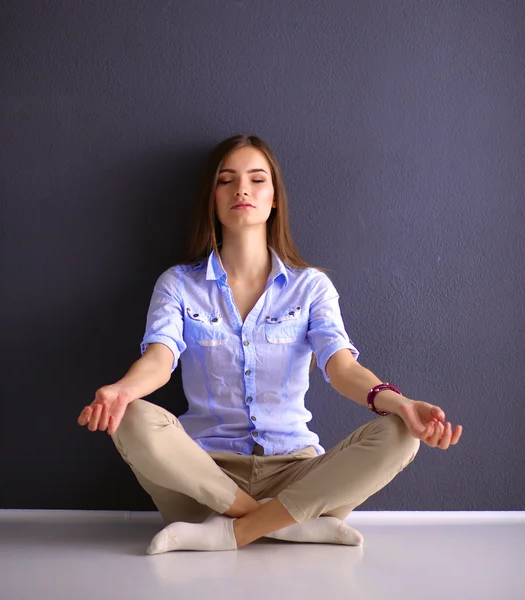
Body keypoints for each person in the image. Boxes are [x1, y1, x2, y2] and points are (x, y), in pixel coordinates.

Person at [77, 134, 463, 554]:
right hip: (203, 479)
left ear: (274, 197)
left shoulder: (311, 287)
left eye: (256, 179)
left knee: (401, 433)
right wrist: (121, 392)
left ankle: (233, 531)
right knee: (130, 418)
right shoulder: (178, 285)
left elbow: (343, 368)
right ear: (213, 196)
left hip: (296, 474)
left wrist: (402, 405)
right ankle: (283, 522)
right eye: (226, 180)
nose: (242, 189)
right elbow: (158, 358)